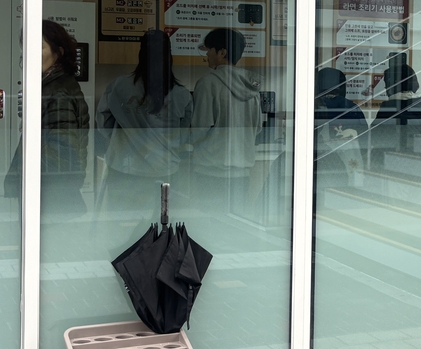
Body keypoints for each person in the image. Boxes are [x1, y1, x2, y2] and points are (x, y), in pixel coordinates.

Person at [96, 30, 193, 212]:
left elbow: (103, 121)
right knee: (159, 224)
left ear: (141, 54)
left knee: (122, 223)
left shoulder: (119, 86)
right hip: (165, 170)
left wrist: (119, 141)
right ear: (169, 55)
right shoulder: (182, 94)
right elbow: (183, 134)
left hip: (124, 167)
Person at [4, 20, 90, 216]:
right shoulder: (51, 86)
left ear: (58, 52)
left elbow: (61, 157)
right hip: (50, 197)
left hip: (51, 200)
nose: (29, 53)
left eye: (38, 46)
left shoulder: (58, 93)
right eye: (26, 47)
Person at [190, 28, 262, 213]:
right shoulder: (252, 87)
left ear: (222, 52)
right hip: (242, 174)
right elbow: (258, 129)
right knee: (234, 224)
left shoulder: (208, 83)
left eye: (209, 49)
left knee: (210, 224)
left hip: (211, 172)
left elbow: (199, 130)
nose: (207, 54)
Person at [371, 64, 421, 163]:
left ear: (391, 85)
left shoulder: (389, 109)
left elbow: (374, 137)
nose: (385, 87)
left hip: (393, 162)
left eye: (386, 84)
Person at [315, 67, 367, 192]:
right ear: (343, 87)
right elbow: (367, 140)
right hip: (351, 168)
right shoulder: (353, 108)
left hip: (320, 167)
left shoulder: (313, 107)